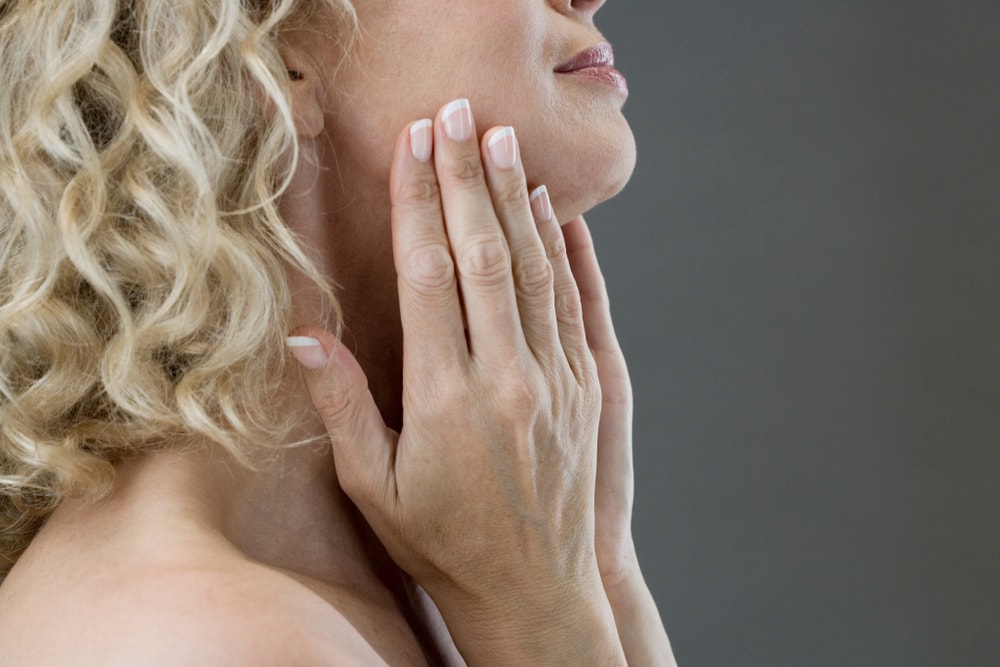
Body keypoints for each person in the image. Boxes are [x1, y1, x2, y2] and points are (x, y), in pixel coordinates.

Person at [0, 0, 676, 663]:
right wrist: (543, 624)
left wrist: (597, 575)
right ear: (278, 56)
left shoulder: (448, 579)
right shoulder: (207, 637)